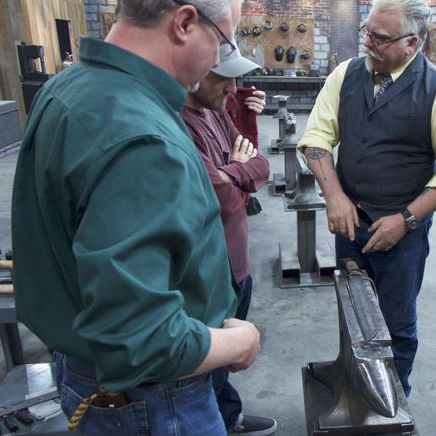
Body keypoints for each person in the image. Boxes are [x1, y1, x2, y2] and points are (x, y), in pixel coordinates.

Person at [11, 1, 262, 434]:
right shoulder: (141, 136)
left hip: (92, 374)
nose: (221, 61)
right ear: (184, 23)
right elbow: (141, 341)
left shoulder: (70, 87)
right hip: (153, 399)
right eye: (224, 41)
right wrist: (238, 342)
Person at [298, 0, 436, 396]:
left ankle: (393, 403)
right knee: (353, 314)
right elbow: (316, 140)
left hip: (403, 235)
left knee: (397, 325)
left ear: (411, 44)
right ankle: (355, 387)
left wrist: (406, 220)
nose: (367, 43)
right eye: (367, 32)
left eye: (379, 38)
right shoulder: (345, 76)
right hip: (351, 224)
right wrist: (335, 196)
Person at [182, 40, 276, 435]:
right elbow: (221, 200)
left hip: (238, 264)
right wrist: (237, 175)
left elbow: (259, 164)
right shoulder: (180, 122)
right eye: (224, 75)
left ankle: (228, 415)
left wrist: (234, 170)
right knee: (209, 363)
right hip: (210, 274)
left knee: (223, 361)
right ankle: (219, 420)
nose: (233, 87)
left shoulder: (214, 109)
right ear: (194, 70)